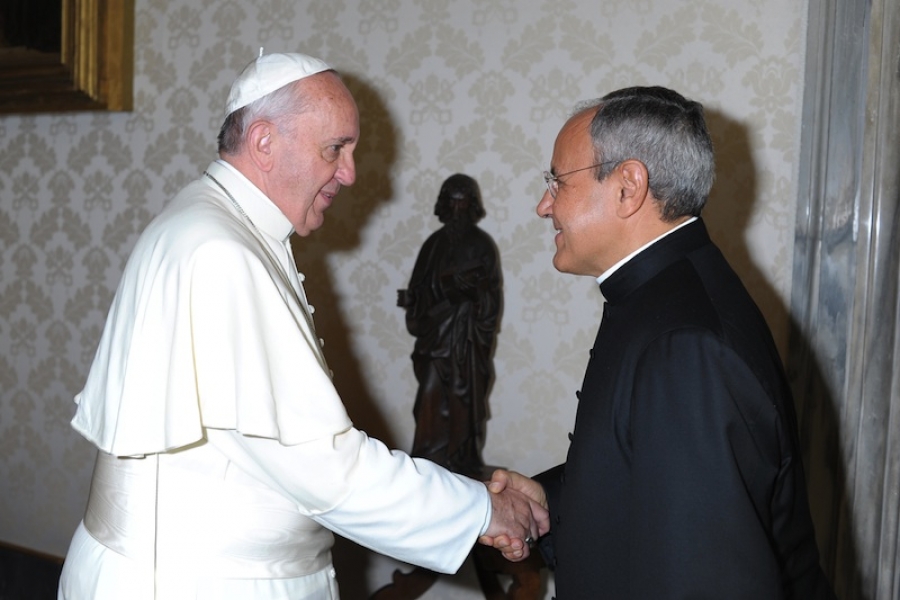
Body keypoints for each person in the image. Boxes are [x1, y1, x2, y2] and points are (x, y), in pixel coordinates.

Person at [57, 51, 547, 600]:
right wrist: (483, 509)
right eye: (334, 148)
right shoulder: (220, 250)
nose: (350, 173)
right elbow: (325, 468)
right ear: (265, 143)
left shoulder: (223, 226)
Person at [482, 86, 835, 598]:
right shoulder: (663, 294)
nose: (543, 206)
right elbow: (658, 467)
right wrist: (548, 500)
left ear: (628, 186)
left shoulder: (684, 343)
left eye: (557, 181)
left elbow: (706, 580)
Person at [397, 173, 501, 478]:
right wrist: (414, 301)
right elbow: (419, 287)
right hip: (435, 339)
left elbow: (491, 297)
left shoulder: (483, 245)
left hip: (465, 342)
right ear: (444, 204)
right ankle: (429, 462)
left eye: (463, 201)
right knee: (428, 396)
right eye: (452, 201)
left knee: (464, 400)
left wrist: (473, 294)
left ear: (472, 204)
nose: (457, 209)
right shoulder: (433, 245)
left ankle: (461, 458)